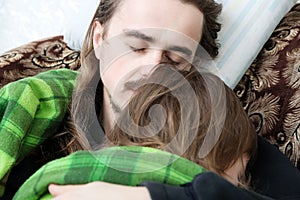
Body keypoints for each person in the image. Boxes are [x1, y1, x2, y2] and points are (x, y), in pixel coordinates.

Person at [2, 0, 300, 199]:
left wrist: (149, 195)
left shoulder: (220, 136)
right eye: (137, 46)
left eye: (174, 57)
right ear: (99, 39)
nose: (153, 68)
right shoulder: (33, 123)